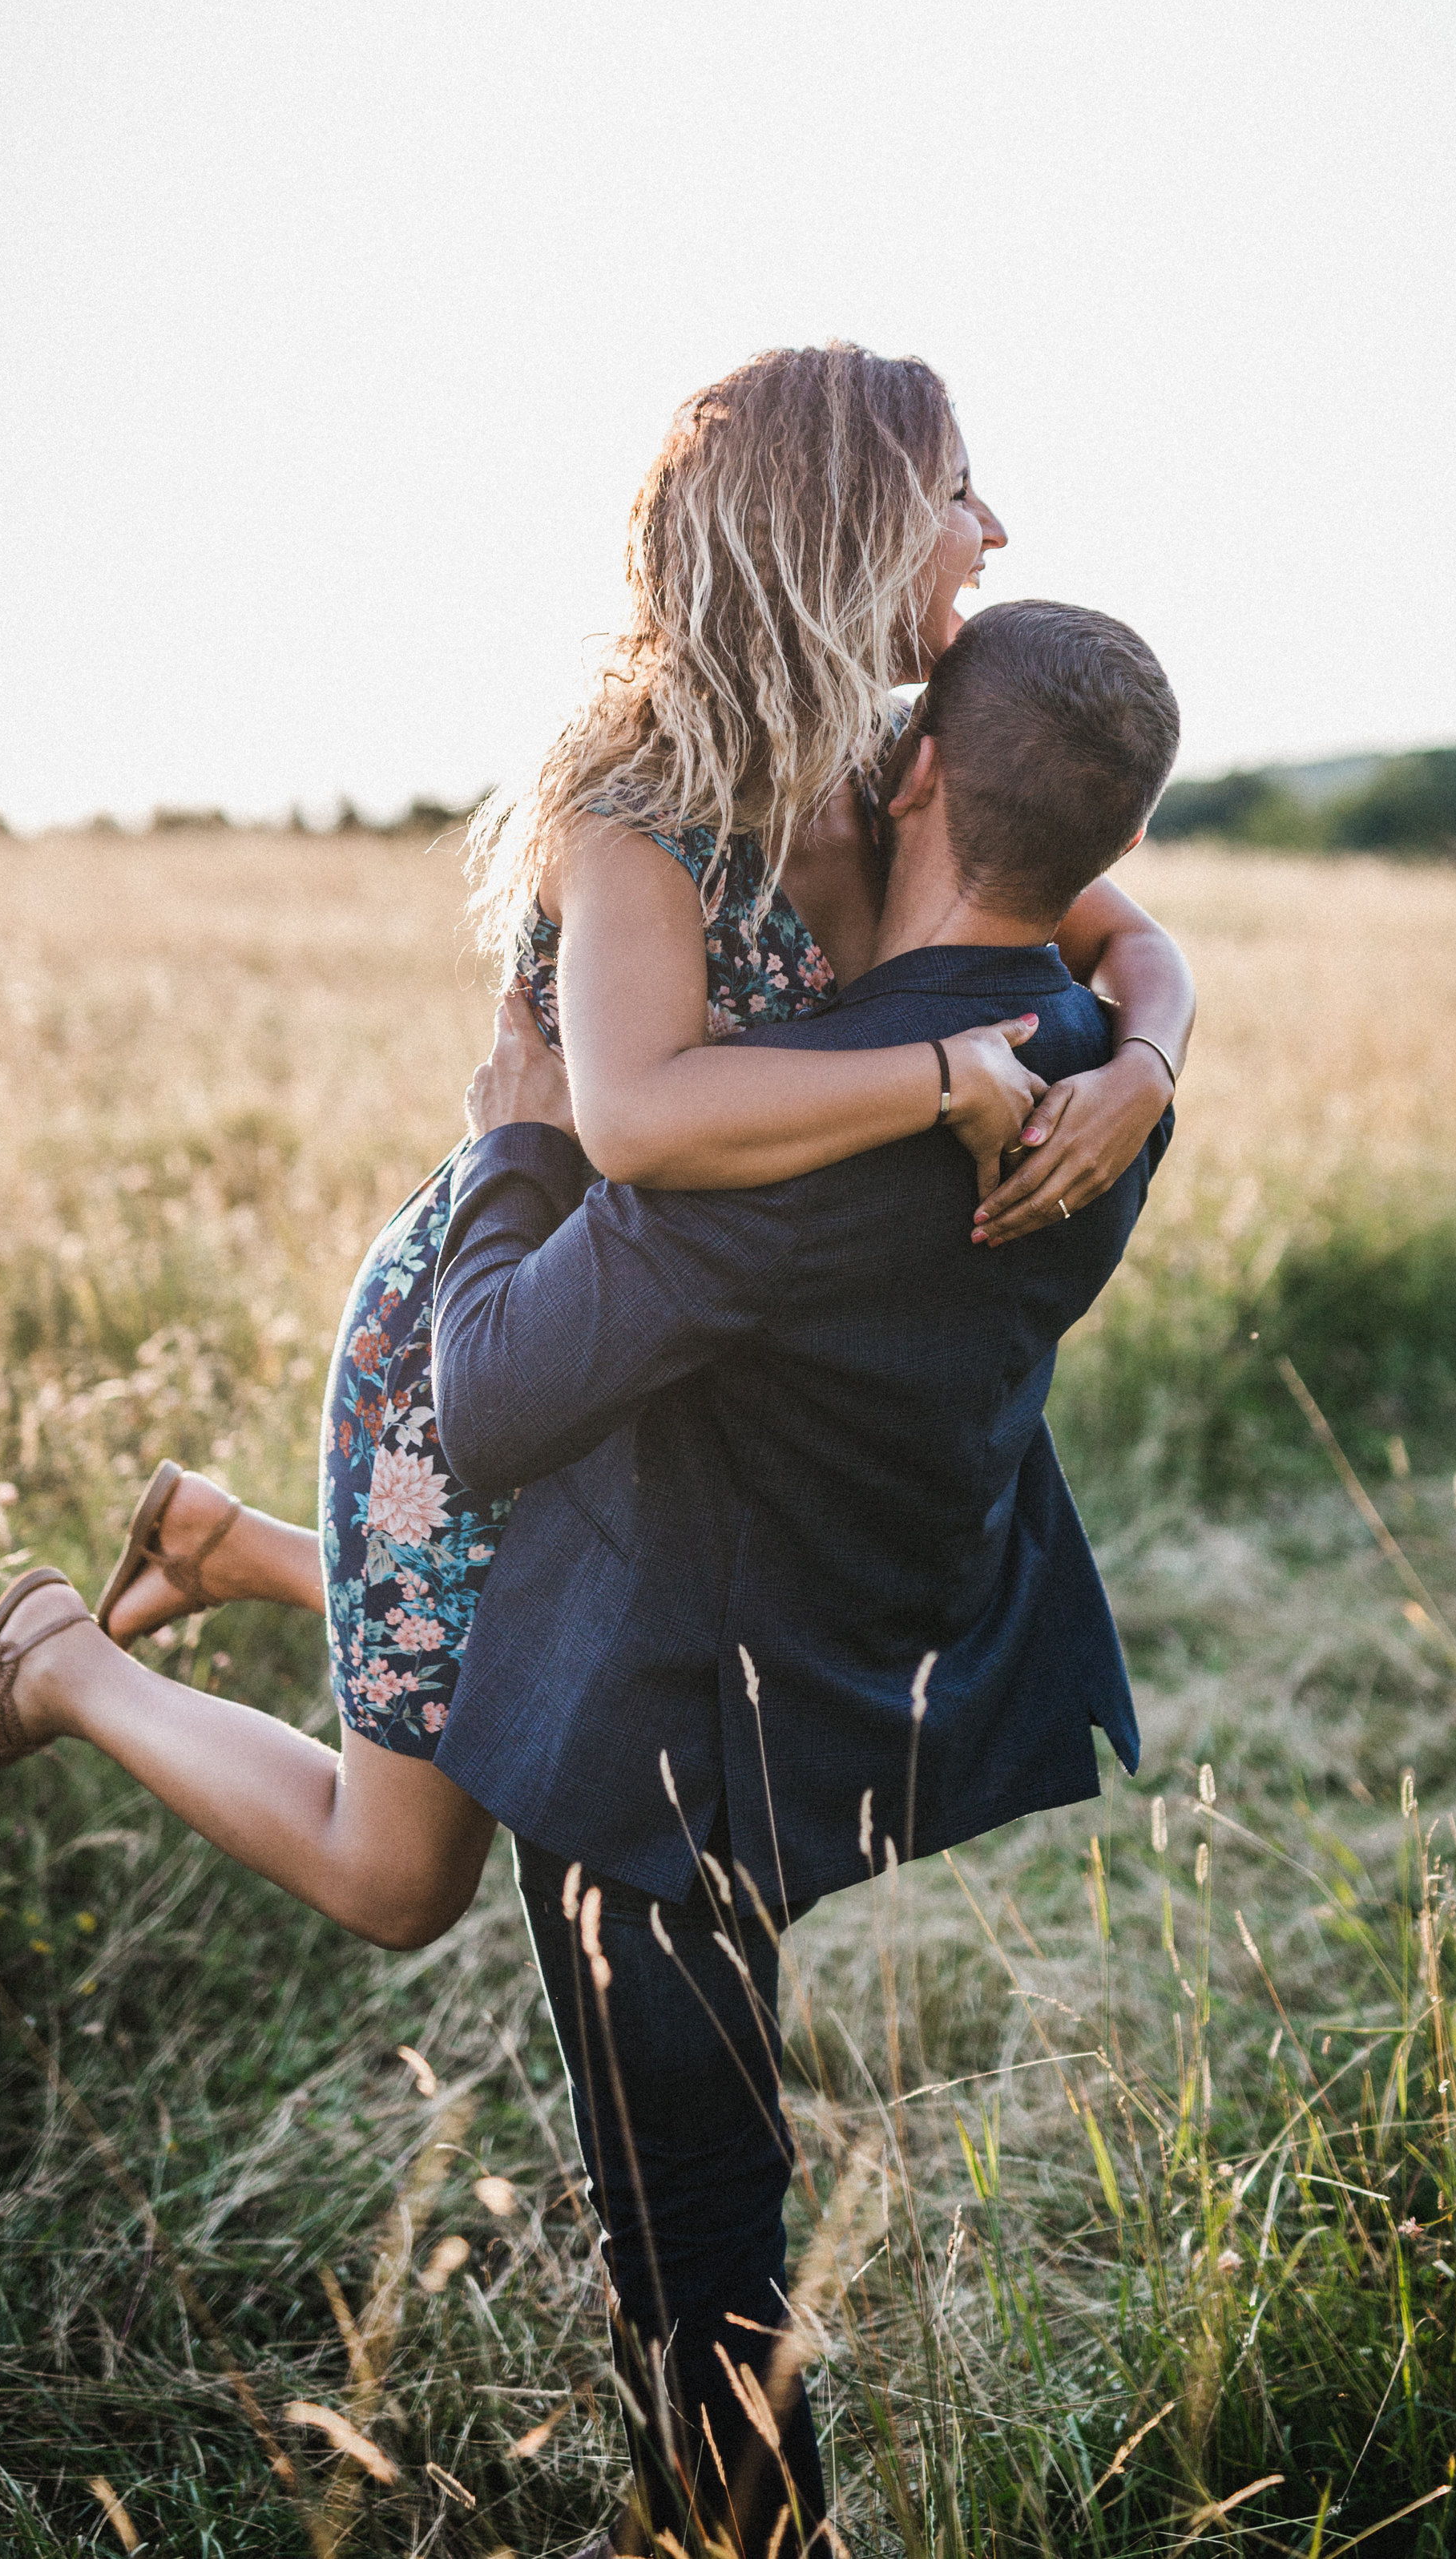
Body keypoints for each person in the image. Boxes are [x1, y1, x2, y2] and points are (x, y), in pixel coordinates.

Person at [0, 345, 1194, 1947]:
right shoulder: (640, 806)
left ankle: (229, 1547)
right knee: (398, 1881)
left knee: (572, 1636)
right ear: (837, 524)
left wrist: (1144, 1058)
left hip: (647, 1337)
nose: (991, 528)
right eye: (953, 493)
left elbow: (1127, 932)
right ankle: (62, 1666)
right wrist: (941, 1071)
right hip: (496, 1326)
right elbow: (633, 1121)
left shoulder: (893, 761)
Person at [427, 597, 1183, 2558]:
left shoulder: (789, 1126)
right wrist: (1166, 1027)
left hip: (657, 1734)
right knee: (712, 2170)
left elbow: (497, 1398)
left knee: (686, 2208)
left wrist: (514, 1147)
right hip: (856, 1664)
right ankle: (680, 2516)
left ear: (915, 772)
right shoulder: (1099, 1066)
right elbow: (1121, 948)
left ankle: (742, 2536)